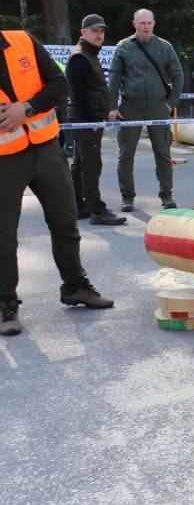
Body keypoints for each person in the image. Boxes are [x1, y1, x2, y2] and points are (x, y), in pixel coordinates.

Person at [0, 29, 115, 336]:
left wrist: (25, 108)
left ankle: (75, 286)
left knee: (65, 221)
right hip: (4, 159)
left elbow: (60, 87)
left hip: (47, 148)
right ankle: (6, 304)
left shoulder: (23, 41)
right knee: (3, 236)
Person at [107, 8, 184, 211]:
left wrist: (170, 103)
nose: (146, 26)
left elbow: (178, 75)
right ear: (134, 24)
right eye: (142, 23)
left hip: (159, 107)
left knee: (163, 153)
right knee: (126, 155)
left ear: (154, 23)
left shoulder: (165, 47)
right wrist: (113, 107)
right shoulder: (123, 47)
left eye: (149, 23)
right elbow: (114, 78)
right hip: (130, 107)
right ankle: (127, 197)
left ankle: (167, 195)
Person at [67, 14, 125, 225]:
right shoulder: (81, 57)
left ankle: (78, 206)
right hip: (86, 119)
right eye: (94, 31)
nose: (99, 35)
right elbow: (79, 93)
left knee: (80, 164)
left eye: (101, 31)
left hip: (85, 118)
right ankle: (97, 211)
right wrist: (92, 120)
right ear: (83, 32)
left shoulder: (89, 54)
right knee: (92, 165)